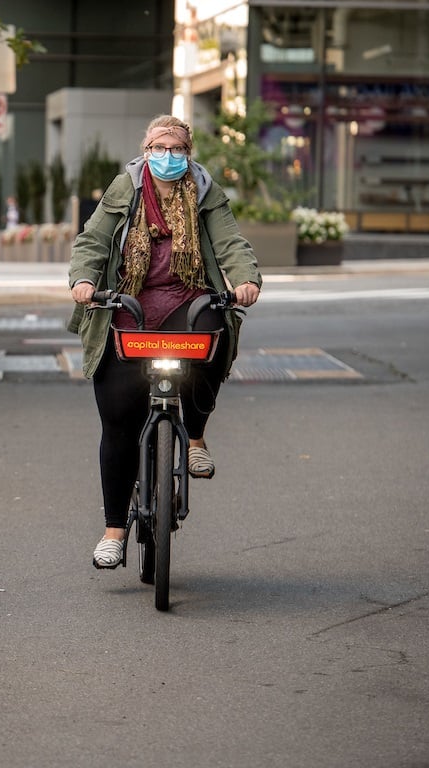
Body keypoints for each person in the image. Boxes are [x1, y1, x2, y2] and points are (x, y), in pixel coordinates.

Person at [67, 114, 262, 570]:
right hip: (127, 303)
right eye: (158, 147)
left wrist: (245, 280)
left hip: (186, 301)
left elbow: (231, 242)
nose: (167, 156)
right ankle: (115, 531)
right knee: (118, 420)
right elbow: (92, 241)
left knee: (215, 327)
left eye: (176, 149)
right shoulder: (126, 188)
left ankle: (195, 437)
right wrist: (82, 279)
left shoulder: (205, 191)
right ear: (146, 149)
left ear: (188, 153)